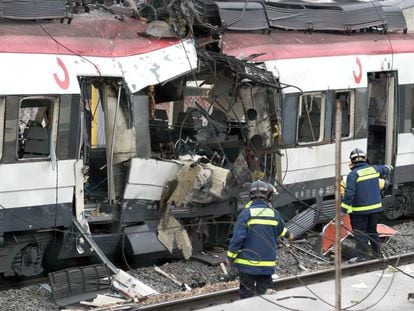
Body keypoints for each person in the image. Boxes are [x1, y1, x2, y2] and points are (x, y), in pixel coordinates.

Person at [227, 180, 293, 299]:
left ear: (250, 196)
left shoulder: (245, 214)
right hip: (266, 266)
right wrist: (289, 235)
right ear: (268, 196)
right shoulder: (274, 214)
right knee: (266, 298)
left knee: (247, 298)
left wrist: (230, 256)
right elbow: (281, 230)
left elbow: (237, 239)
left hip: (247, 266)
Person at [341, 148, 392, 261]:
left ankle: (361, 257)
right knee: (372, 232)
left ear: (352, 161)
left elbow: (349, 194)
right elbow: (387, 168)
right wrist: (388, 167)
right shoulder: (374, 169)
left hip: (360, 211)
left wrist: (342, 210)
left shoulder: (353, 175)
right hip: (374, 209)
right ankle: (377, 254)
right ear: (365, 159)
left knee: (360, 233)